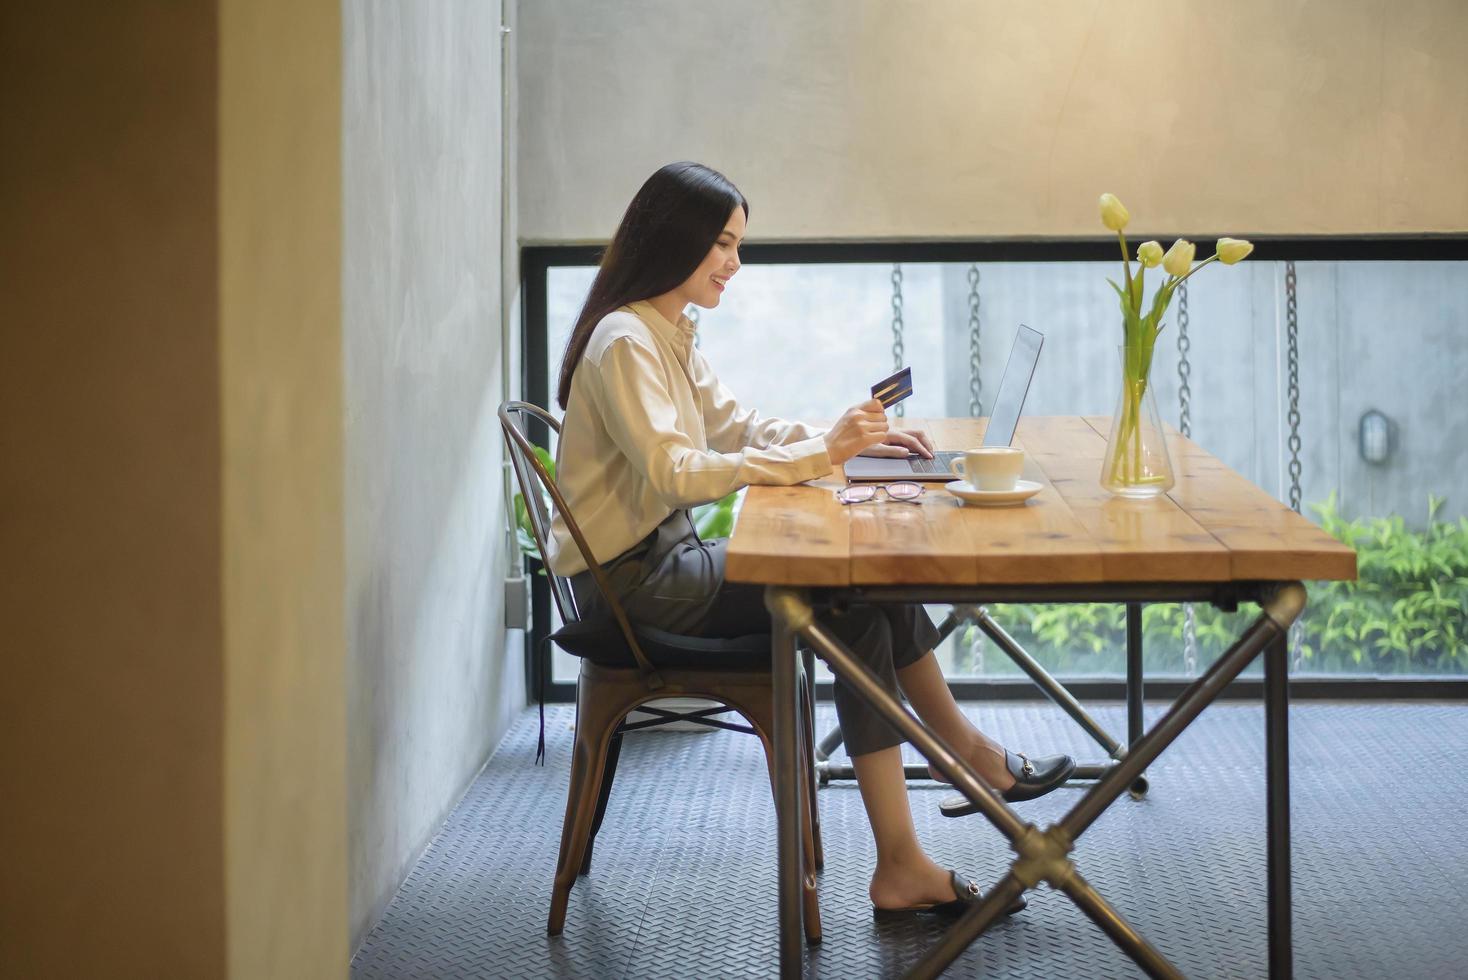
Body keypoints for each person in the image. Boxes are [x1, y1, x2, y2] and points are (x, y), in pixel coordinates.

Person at [546, 161, 1074, 918]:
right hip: (635, 586)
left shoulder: (667, 330)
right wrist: (824, 455)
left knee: (869, 585)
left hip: (664, 563)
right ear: (675, 240)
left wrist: (853, 441)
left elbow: (739, 426)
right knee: (852, 604)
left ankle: (962, 755)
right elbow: (675, 472)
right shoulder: (628, 340)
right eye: (723, 244)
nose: (735, 263)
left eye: (737, 244)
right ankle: (909, 848)